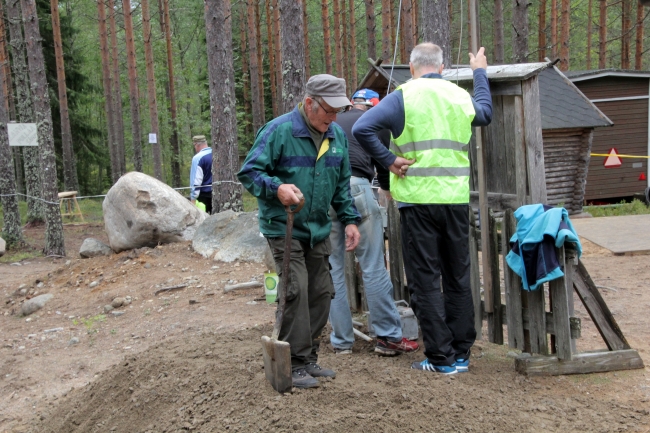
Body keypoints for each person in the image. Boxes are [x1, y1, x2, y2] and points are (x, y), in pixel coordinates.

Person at [353, 43, 493, 375]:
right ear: (442, 67)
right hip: (455, 200)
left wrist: (389, 160)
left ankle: (440, 359)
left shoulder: (403, 95)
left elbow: (362, 128)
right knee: (458, 277)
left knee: (426, 279)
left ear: (412, 68)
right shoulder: (459, 95)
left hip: (417, 202)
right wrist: (479, 72)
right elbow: (485, 112)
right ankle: (460, 355)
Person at [238, 74, 361, 389]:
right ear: (309, 103)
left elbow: (341, 184)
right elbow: (250, 172)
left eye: (338, 111)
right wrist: (277, 188)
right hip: (284, 227)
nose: (334, 118)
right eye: (329, 111)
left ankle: (307, 359)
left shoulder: (336, 137)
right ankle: (291, 364)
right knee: (296, 289)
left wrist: (349, 219)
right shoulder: (279, 131)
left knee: (322, 292)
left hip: (317, 229)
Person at [328, 89, 419, 356]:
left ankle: (341, 341)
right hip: (357, 188)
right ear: (375, 107)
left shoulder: (332, 122)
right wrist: (386, 196)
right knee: (373, 267)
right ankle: (388, 338)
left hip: (326, 194)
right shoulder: (375, 124)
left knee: (333, 269)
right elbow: (384, 169)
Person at [189, 135, 213, 214]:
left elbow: (196, 180)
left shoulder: (197, 158)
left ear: (197, 145)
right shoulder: (214, 153)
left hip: (203, 196)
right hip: (217, 193)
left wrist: (193, 199)